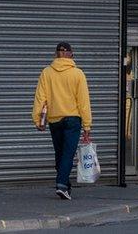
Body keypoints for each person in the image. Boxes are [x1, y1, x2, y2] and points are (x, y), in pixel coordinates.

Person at [32, 42, 93, 200]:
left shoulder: (47, 73)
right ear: (71, 54)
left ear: (55, 54)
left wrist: (37, 119)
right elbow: (83, 102)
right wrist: (87, 126)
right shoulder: (78, 74)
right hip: (73, 120)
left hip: (55, 120)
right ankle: (61, 184)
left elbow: (40, 97)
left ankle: (65, 185)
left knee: (60, 154)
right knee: (67, 154)